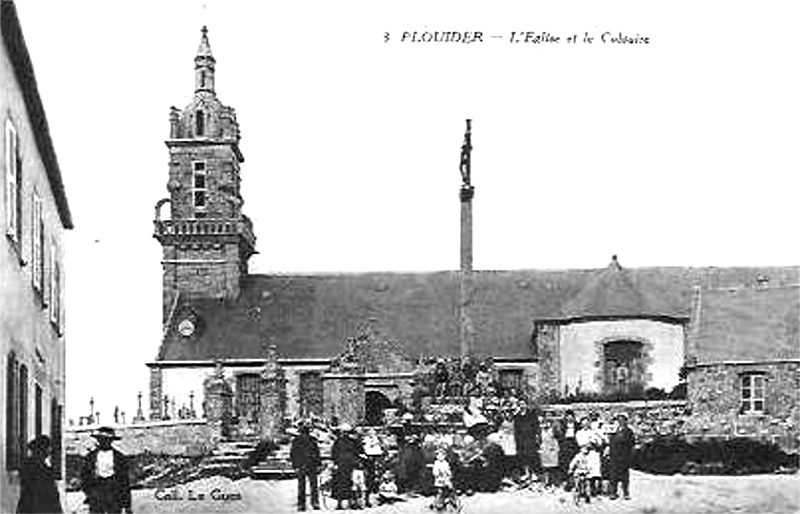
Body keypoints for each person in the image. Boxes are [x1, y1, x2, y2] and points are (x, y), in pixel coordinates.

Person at [80, 426, 132, 513]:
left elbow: (124, 481)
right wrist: (89, 493)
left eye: (107, 439)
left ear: (111, 441)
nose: (104, 442)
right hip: (97, 491)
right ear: (98, 440)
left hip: (114, 491)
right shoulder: (91, 457)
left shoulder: (119, 457)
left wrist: (127, 504)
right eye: (101, 439)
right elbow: (85, 476)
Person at [17, 435, 63, 513]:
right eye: (48, 448)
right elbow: (49, 494)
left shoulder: (28, 466)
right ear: (41, 450)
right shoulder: (41, 469)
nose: (50, 451)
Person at [290, 421, 322, 511]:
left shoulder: (297, 440)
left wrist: (295, 466)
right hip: (309, 464)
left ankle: (303, 504)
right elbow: (317, 453)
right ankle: (313, 503)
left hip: (305, 465)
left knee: (303, 485)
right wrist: (319, 464)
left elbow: (293, 454)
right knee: (311, 485)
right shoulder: (309, 440)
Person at [330, 424, 363, 510]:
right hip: (341, 465)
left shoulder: (354, 441)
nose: (345, 434)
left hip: (350, 465)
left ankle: (351, 502)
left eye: (346, 432)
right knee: (340, 485)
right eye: (343, 432)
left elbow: (359, 452)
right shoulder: (338, 442)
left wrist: (357, 461)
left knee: (351, 484)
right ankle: (340, 503)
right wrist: (335, 463)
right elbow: (334, 453)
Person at [608, 414, 636, 500]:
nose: (620, 422)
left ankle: (626, 493)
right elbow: (610, 442)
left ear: (625, 421)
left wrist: (629, 456)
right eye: (618, 420)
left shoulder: (629, 431)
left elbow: (632, 443)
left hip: (624, 455)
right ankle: (613, 492)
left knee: (625, 476)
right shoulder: (613, 430)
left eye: (622, 420)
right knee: (613, 475)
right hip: (614, 455)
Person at [554, 410, 579, 489]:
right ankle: (566, 480)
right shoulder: (562, 425)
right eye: (568, 416)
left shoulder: (577, 425)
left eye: (571, 416)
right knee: (565, 463)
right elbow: (558, 434)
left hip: (574, 444)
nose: (569, 417)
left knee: (573, 463)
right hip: (565, 444)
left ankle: (573, 481)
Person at [538, 420, 560, 489]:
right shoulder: (541, 431)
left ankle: (553, 483)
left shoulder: (552, 430)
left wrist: (555, 449)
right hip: (544, 450)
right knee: (545, 468)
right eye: (543, 423)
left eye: (547, 423)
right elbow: (539, 440)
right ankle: (546, 482)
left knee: (553, 468)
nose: (545, 425)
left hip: (552, 450)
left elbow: (556, 438)